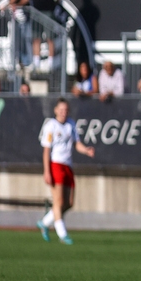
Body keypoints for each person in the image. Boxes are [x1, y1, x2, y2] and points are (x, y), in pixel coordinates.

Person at [37, 98, 95, 245]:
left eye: (66, 110)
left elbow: (77, 144)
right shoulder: (51, 125)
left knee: (69, 203)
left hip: (68, 166)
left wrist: (86, 150)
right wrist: (47, 171)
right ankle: (62, 234)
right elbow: (46, 151)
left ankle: (45, 222)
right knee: (58, 201)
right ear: (56, 110)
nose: (64, 113)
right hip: (55, 164)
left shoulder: (71, 124)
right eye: (61, 110)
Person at [22, 0, 66, 70]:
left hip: (48, 12)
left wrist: (55, 1)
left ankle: (51, 62)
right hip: (36, 13)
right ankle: (36, 62)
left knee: (49, 37)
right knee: (36, 38)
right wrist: (16, 4)